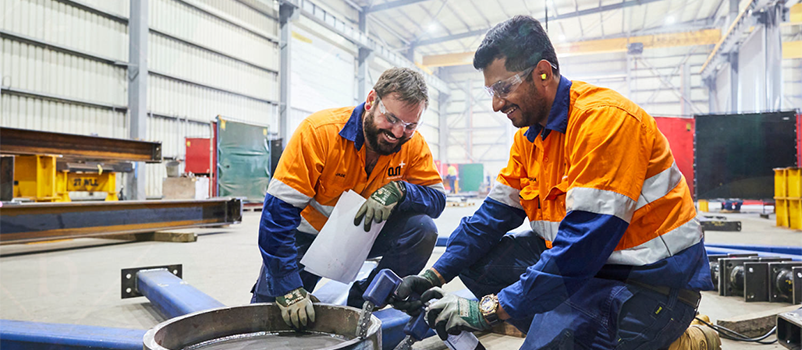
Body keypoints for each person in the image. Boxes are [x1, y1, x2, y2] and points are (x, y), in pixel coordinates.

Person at [392, 16, 718, 350]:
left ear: (544, 73)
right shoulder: (529, 139)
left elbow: (583, 244)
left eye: (503, 88)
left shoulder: (605, 121)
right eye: (491, 91)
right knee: (477, 259)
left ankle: (677, 338)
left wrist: (489, 310)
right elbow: (488, 221)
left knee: (552, 324)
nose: (495, 104)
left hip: (648, 285)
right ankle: (564, 328)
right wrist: (435, 275)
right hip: (585, 271)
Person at [252, 67, 446, 329]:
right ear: (370, 101)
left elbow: (437, 199)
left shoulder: (413, 145)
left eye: (410, 125)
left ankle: (365, 297)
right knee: (269, 317)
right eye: (391, 119)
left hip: (362, 237)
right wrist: (288, 287)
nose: (398, 133)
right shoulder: (319, 132)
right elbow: (276, 217)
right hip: (306, 237)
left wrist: (402, 190)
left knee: (422, 229)